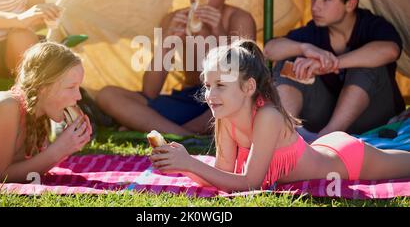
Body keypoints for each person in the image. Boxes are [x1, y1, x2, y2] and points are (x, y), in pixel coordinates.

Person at [150, 40, 410, 193]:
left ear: (248, 87)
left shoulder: (267, 116)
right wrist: (182, 165)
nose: (209, 94)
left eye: (220, 85)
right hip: (319, 149)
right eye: (207, 85)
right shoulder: (225, 117)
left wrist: (190, 164)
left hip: (346, 160)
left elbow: (249, 184)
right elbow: (223, 175)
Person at [96, 0, 256, 135]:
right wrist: (167, 43)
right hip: (187, 99)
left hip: (222, 99)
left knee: (241, 100)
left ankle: (165, 130)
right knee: (107, 95)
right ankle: (185, 135)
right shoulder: (174, 19)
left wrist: (219, 32)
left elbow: (241, 78)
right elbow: (150, 91)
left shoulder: (238, 19)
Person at [263, 0, 405, 140]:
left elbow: (391, 50)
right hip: (326, 116)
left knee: (367, 62)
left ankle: (327, 140)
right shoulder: (314, 31)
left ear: (350, 4)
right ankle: (281, 136)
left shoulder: (371, 25)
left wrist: (332, 63)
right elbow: (270, 49)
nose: (315, 6)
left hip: (375, 119)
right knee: (290, 63)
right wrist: (305, 48)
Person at [0, 41, 92, 182]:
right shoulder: (6, 106)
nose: (78, 96)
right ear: (43, 87)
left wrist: (66, 149)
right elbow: (0, 177)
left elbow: (24, 172)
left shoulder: (37, 117)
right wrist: (58, 149)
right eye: (71, 87)